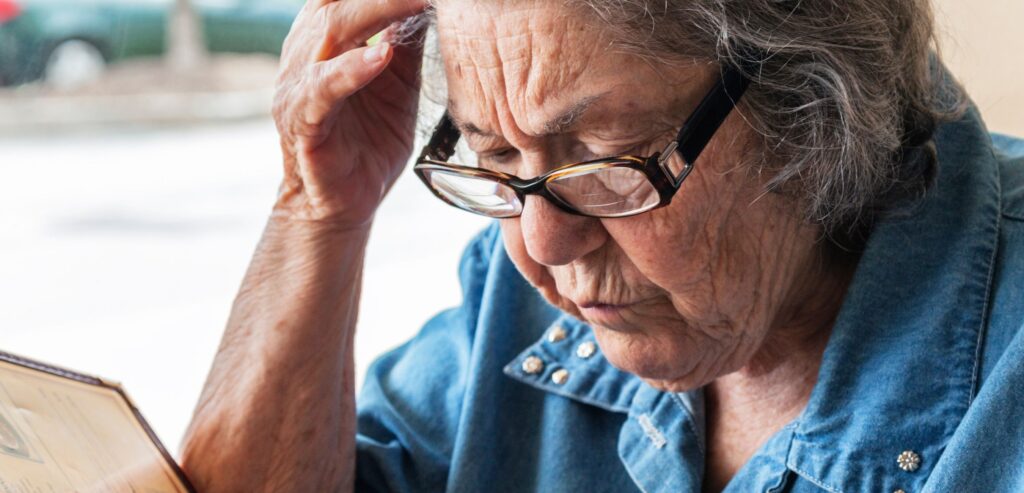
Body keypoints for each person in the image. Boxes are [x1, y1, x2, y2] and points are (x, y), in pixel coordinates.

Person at [179, 0, 1024, 491]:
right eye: (497, 158)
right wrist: (318, 211)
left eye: (607, 159)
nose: (542, 244)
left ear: (815, 107)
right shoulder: (514, 298)